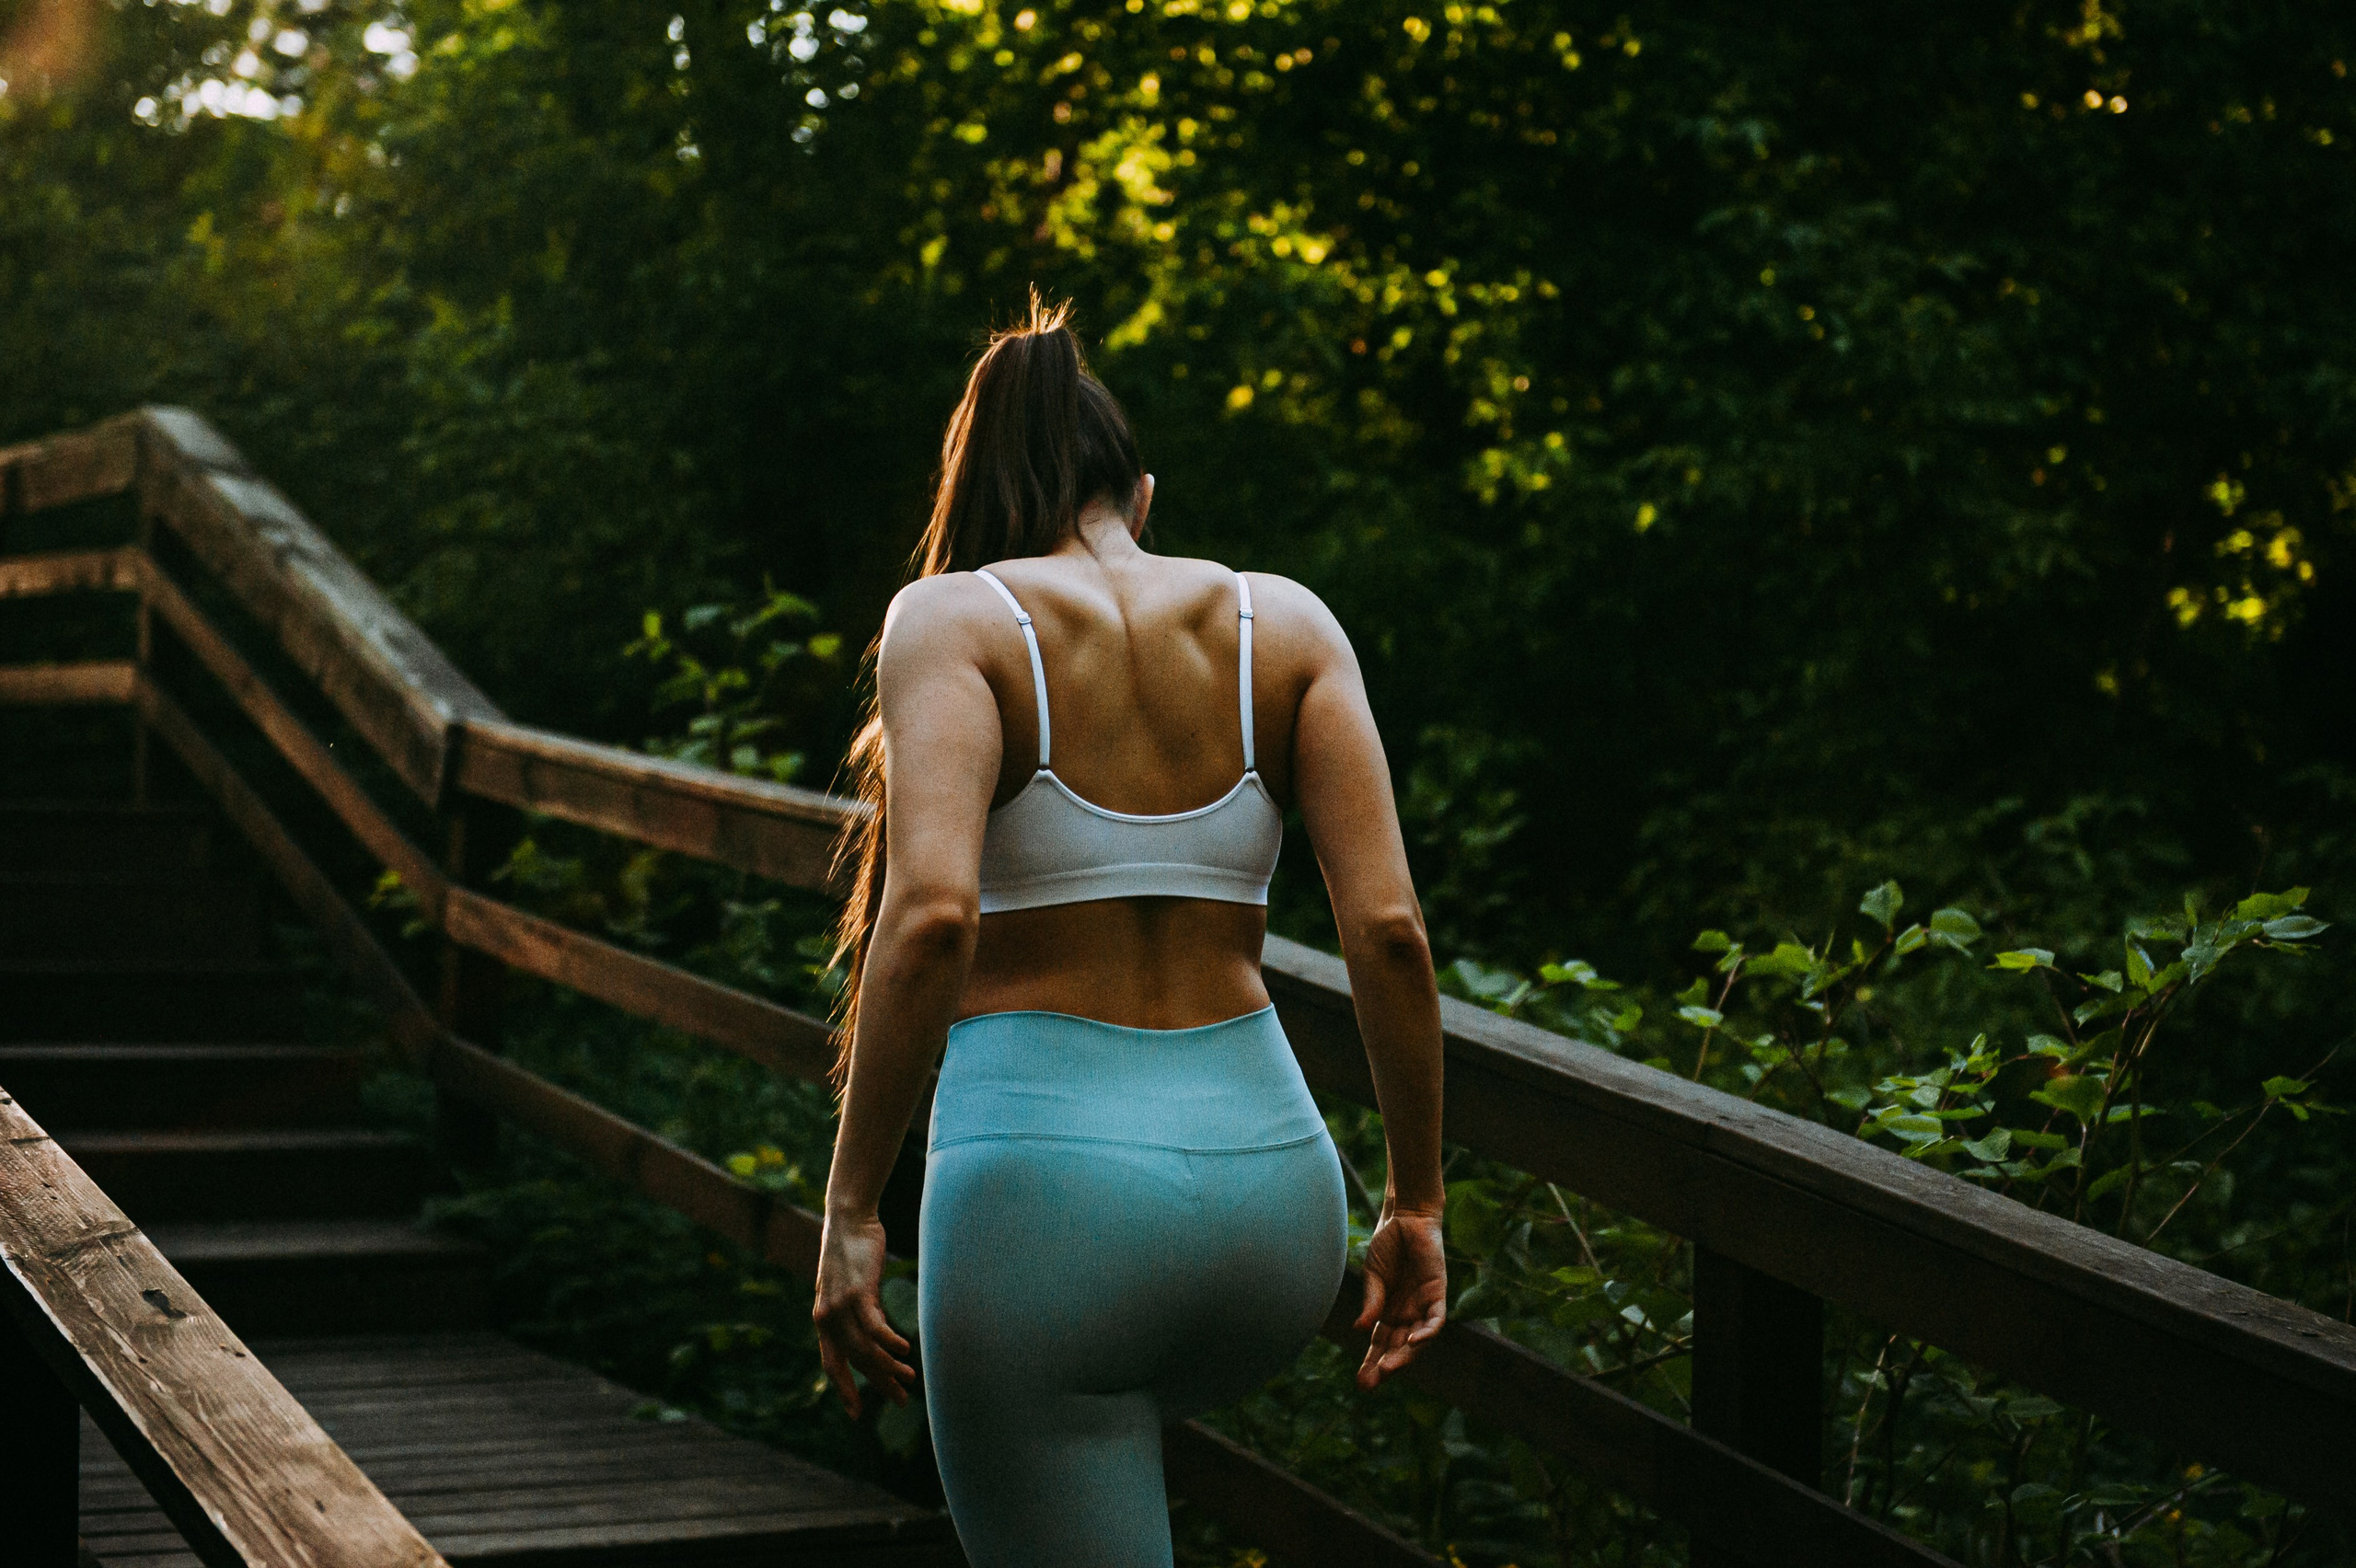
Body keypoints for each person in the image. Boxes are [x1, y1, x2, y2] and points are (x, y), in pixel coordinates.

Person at [813, 294, 1448, 1568]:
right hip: (1274, 1216)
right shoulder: (1291, 625)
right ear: (1139, 493)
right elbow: (1388, 932)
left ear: (980, 491)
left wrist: (850, 1204)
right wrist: (1418, 1201)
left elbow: (932, 917)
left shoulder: (950, 621)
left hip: (1048, 1215)